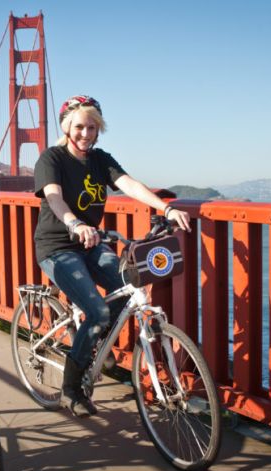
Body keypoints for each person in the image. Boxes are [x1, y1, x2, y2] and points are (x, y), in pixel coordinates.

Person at [33, 95, 191, 417]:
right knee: (97, 311)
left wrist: (166, 207)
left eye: (93, 127)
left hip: (90, 243)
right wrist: (74, 223)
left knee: (128, 284)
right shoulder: (51, 158)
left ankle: (94, 341)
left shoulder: (100, 159)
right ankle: (71, 390)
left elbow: (128, 185)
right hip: (57, 247)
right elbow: (54, 198)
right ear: (66, 127)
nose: (86, 133)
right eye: (79, 126)